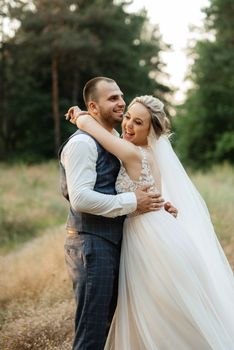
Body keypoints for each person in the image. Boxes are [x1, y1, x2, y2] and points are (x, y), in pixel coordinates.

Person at [69, 95, 234, 349]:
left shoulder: (132, 152)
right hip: (157, 229)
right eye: (127, 117)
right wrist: (163, 202)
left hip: (150, 239)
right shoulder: (147, 154)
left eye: (138, 122)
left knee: (157, 310)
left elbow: (90, 128)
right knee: (160, 309)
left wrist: (80, 114)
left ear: (150, 130)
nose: (128, 126)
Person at [59, 77, 177, 350]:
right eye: (112, 98)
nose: (121, 103)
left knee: (112, 325)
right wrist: (134, 201)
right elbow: (80, 199)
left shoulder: (115, 140)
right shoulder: (83, 144)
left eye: (121, 96)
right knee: (93, 331)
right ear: (93, 106)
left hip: (116, 242)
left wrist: (158, 203)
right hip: (91, 243)